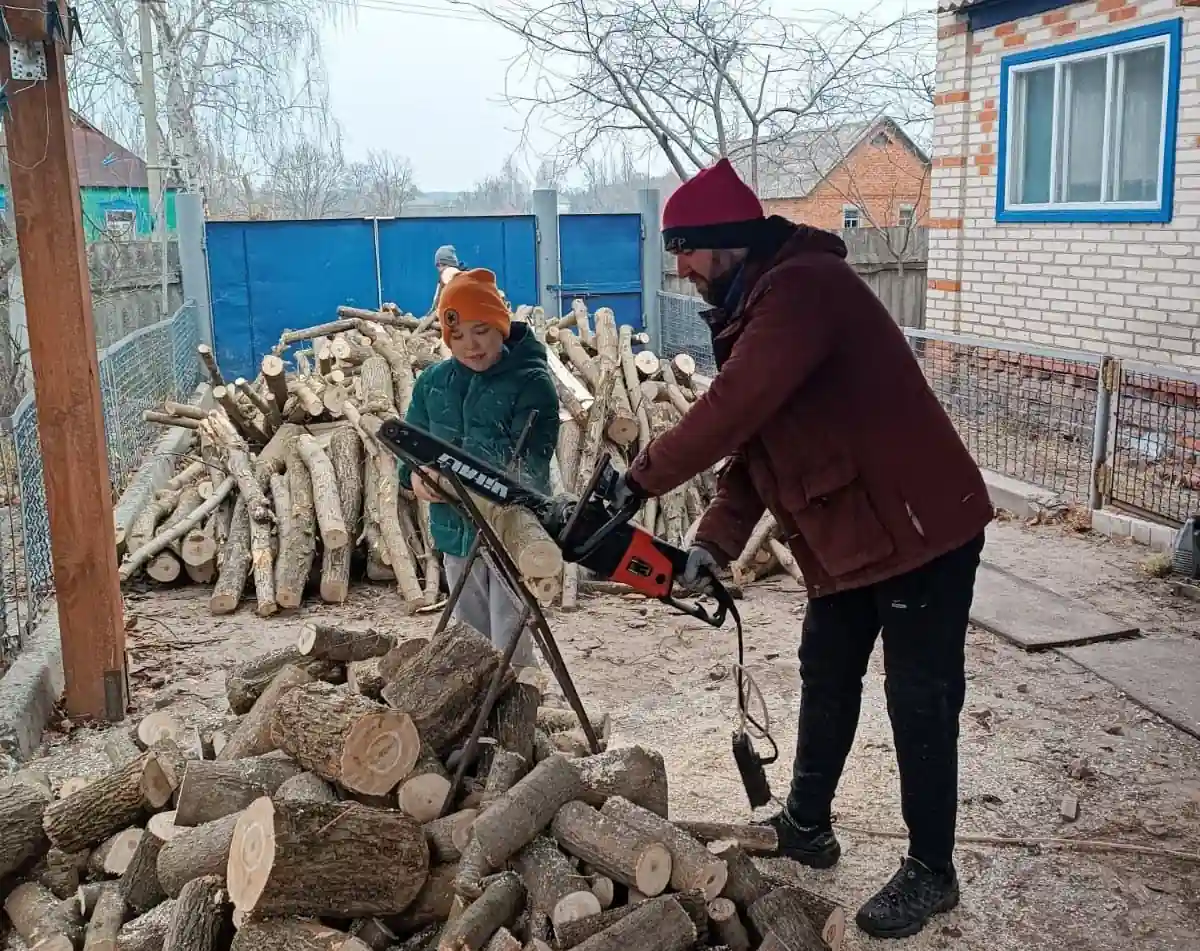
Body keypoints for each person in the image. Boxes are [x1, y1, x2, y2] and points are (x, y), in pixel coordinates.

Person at [615, 159, 993, 940]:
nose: (680, 268)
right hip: (859, 530)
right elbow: (753, 446)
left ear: (723, 242)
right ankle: (808, 824)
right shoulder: (757, 306)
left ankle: (932, 870)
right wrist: (712, 544)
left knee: (919, 696)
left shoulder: (804, 292)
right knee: (827, 667)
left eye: (685, 250)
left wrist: (636, 482)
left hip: (922, 524)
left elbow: (732, 408)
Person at [401, 268, 559, 668]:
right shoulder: (432, 384)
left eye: (480, 331)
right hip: (454, 531)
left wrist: (477, 485)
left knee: (510, 632)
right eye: (457, 336)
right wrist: (418, 478)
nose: (469, 345)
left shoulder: (531, 382)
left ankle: (516, 707)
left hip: (510, 533)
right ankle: (473, 708)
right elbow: (409, 450)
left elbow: (533, 465)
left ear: (501, 327)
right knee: (468, 634)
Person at [429, 245, 462, 316]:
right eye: (438, 265)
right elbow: (434, 308)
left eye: (443, 265)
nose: (440, 269)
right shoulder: (441, 281)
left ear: (452, 264)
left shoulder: (464, 281)